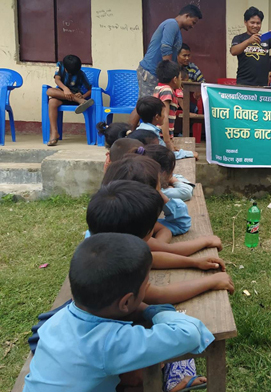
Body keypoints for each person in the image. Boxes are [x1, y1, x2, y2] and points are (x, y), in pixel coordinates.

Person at [22, 233, 215, 392]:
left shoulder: (57, 319)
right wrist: (153, 309)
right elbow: (190, 333)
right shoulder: (110, 343)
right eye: (147, 284)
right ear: (126, 302)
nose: (148, 287)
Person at [102, 157, 222, 257]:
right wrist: (205, 241)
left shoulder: (116, 216)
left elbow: (161, 240)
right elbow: (171, 246)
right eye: (160, 188)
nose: (162, 191)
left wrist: (158, 247)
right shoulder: (128, 231)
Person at [137, 5, 202, 99]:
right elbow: (166, 47)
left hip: (159, 73)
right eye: (193, 22)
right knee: (148, 104)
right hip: (151, 71)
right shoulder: (172, 24)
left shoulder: (177, 30)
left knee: (157, 104)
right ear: (187, 16)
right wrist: (168, 74)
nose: (192, 26)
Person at [230, 6, 271, 86]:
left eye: (258, 23)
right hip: (244, 83)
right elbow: (233, 51)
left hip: (262, 84)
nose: (255, 25)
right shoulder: (239, 38)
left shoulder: (265, 38)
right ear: (245, 22)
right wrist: (248, 41)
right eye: (252, 22)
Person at [45, 55, 94, 146]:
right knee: (50, 94)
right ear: (65, 68)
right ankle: (54, 132)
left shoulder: (81, 74)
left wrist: (83, 95)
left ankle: (78, 99)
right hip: (62, 94)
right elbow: (57, 79)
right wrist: (65, 89)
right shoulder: (60, 65)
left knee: (51, 97)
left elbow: (91, 89)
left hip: (74, 96)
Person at [135, 94, 196, 160]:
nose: (165, 116)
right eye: (163, 112)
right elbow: (164, 155)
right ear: (157, 117)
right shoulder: (152, 134)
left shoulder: (139, 130)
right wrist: (190, 154)